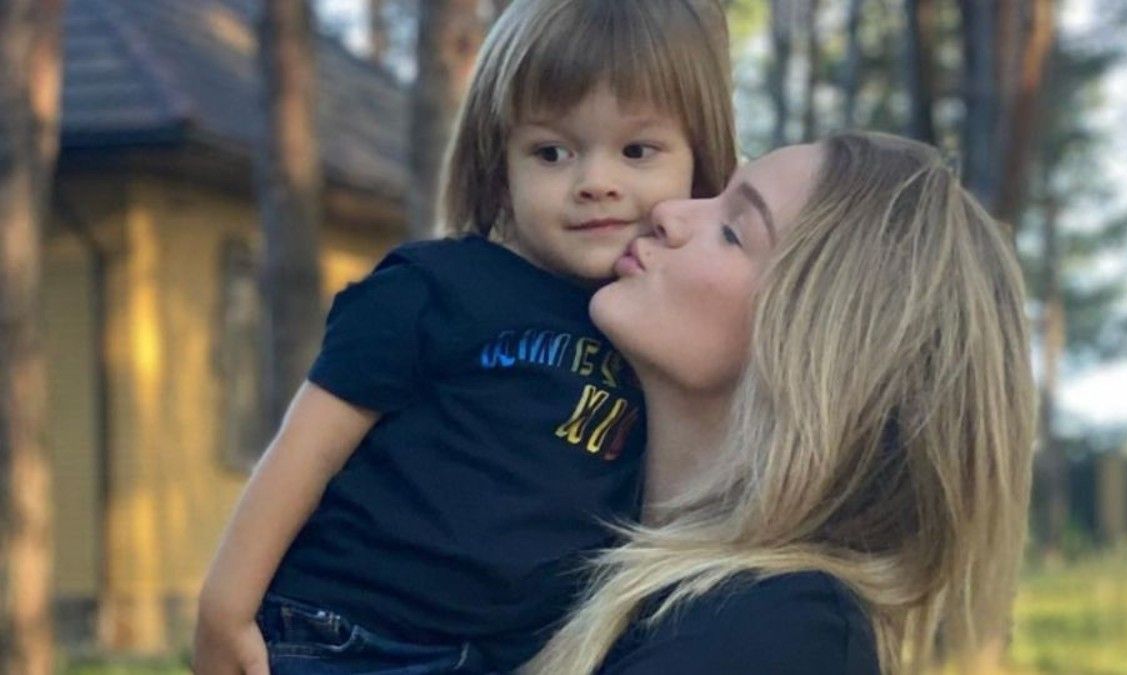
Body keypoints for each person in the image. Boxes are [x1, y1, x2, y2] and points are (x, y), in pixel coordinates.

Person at [192, 0, 737, 673]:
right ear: (499, 167)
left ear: (700, 163)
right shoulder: (435, 288)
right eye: (552, 152)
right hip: (349, 634)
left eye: (636, 150)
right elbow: (304, 452)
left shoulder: (666, 336)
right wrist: (225, 606)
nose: (596, 183)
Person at [526, 131, 1036, 675]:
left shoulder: (784, 637)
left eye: (732, 231)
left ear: (818, 352)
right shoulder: (565, 538)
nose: (668, 213)